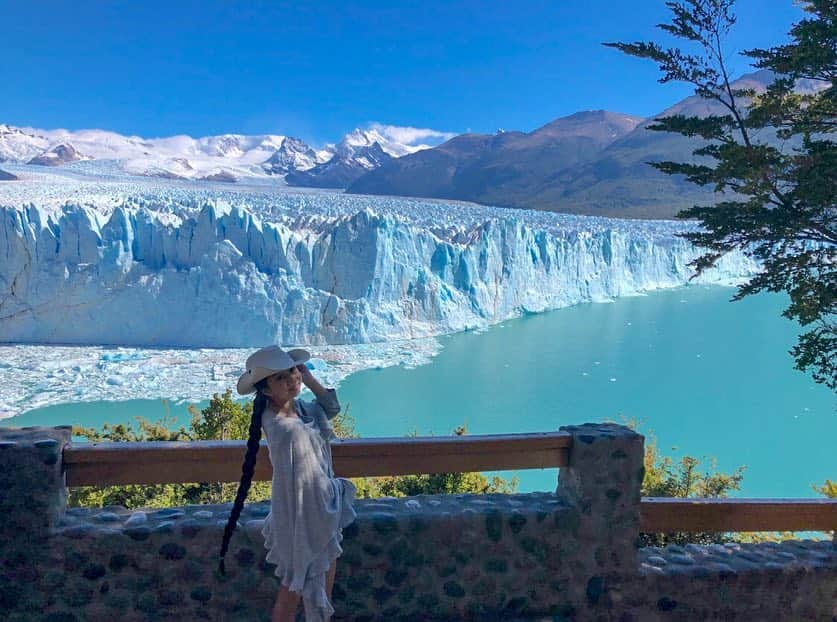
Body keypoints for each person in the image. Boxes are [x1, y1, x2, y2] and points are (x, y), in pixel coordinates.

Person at [218, 345, 357, 622]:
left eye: (292, 371)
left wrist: (307, 376)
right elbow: (303, 448)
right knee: (294, 587)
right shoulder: (281, 425)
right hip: (301, 515)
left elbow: (332, 407)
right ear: (267, 390)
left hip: (318, 510)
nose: (292, 379)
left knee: (314, 582)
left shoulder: (301, 410)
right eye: (280, 377)